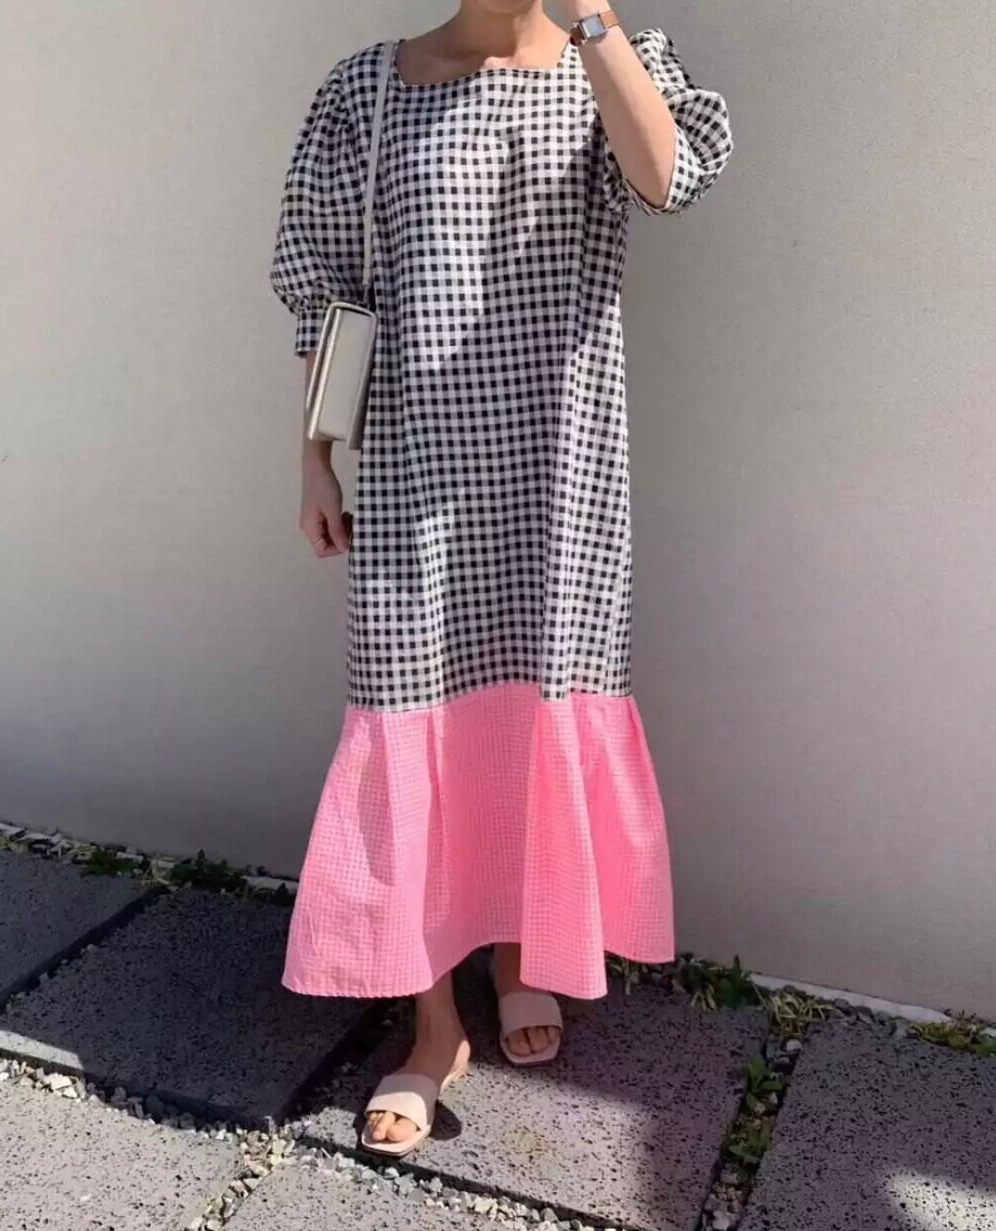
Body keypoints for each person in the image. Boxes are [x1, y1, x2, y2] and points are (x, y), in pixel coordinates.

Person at [268, 0, 733, 1157]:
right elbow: (325, 283)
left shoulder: (611, 60)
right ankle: (434, 1024)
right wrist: (316, 453)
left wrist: (594, 22)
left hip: (562, 472)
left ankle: (528, 951)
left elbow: (670, 178)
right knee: (408, 719)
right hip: (417, 469)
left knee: (534, 713)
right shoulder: (369, 90)